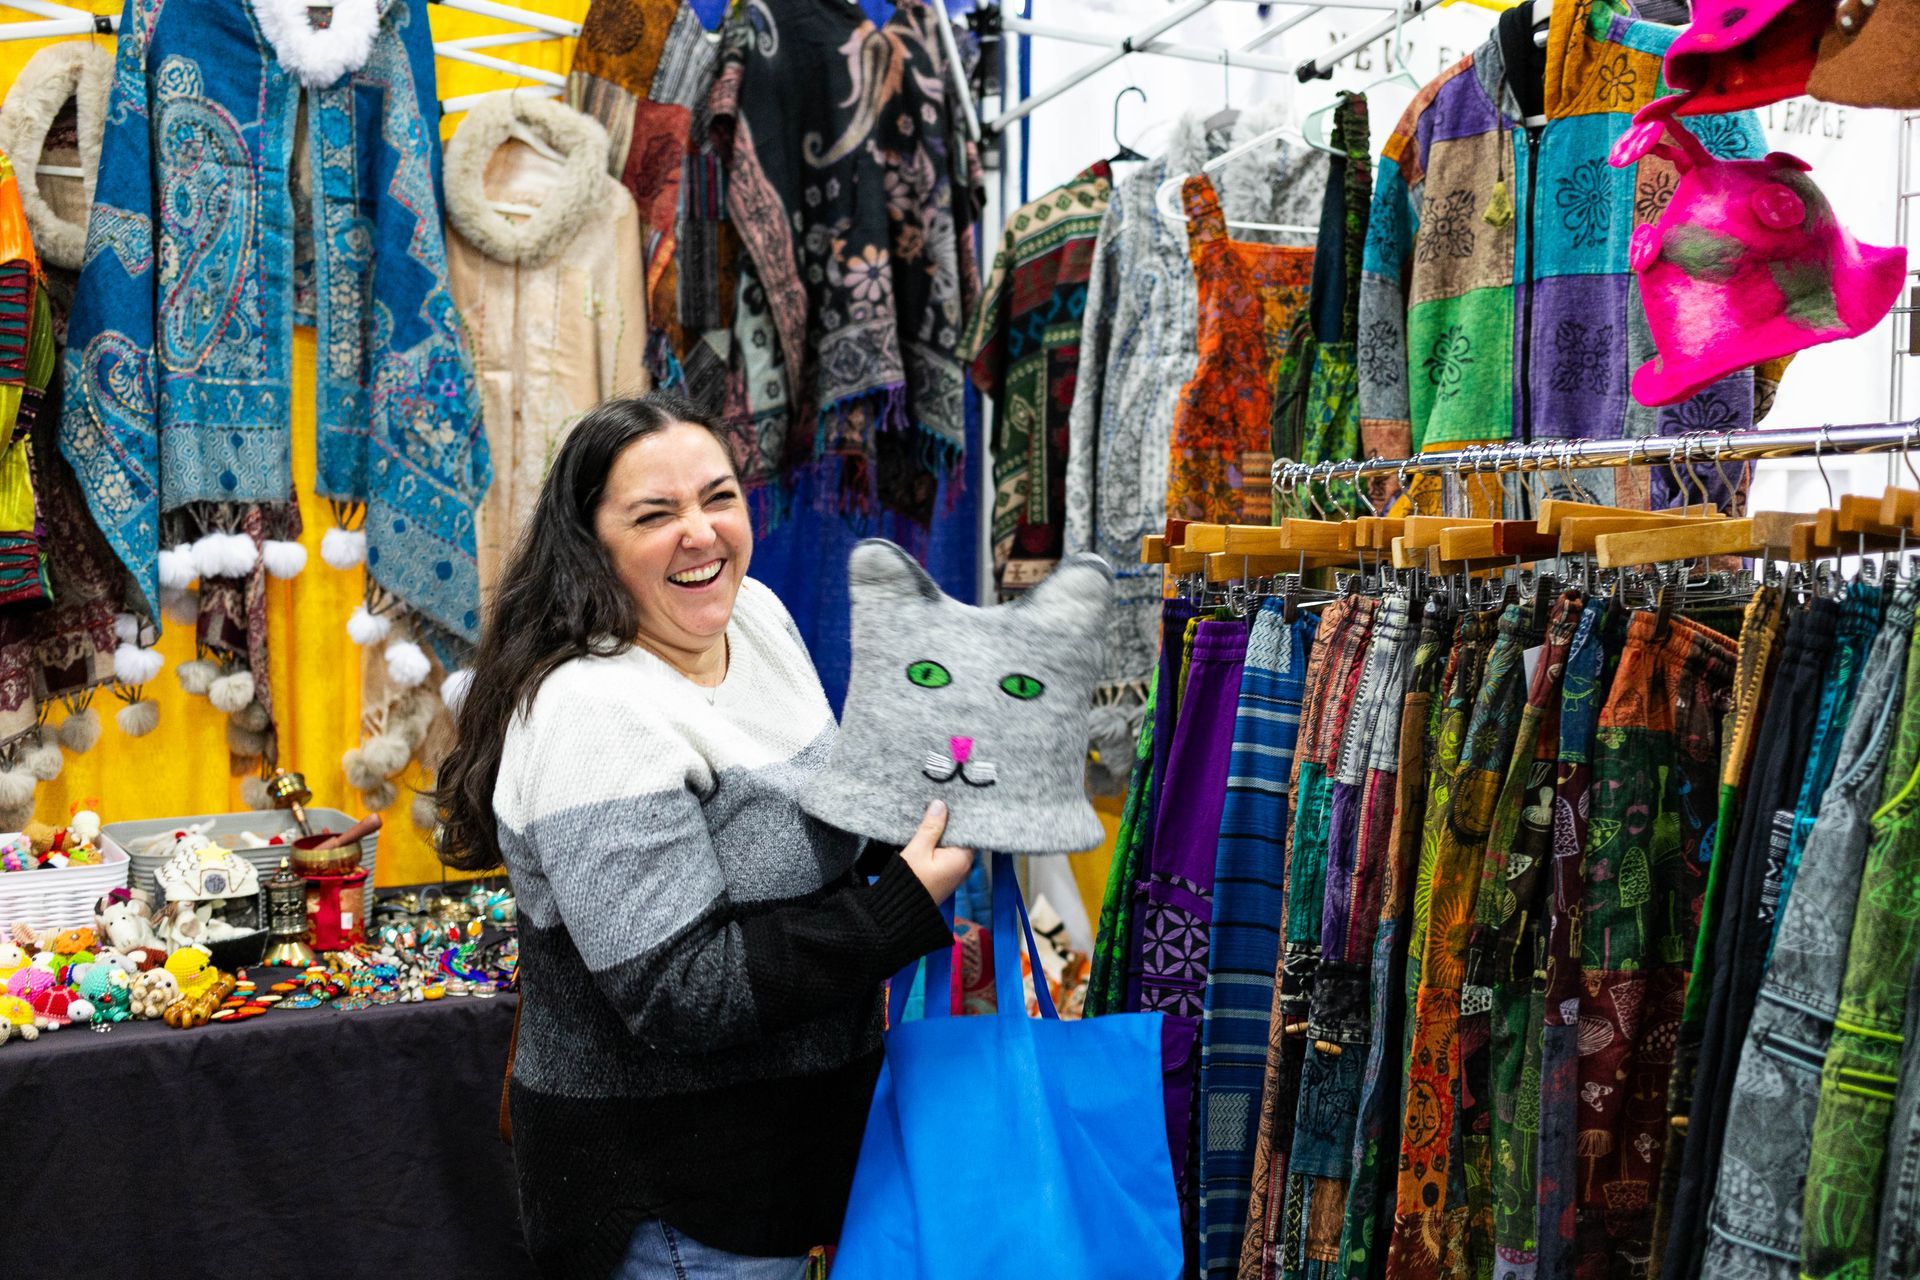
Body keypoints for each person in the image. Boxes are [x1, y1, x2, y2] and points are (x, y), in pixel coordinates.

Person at [435, 391, 974, 1280]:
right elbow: (681, 990)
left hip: (797, 1177)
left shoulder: (755, 617)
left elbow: (808, 826)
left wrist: (927, 801)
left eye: (718, 497)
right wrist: (903, 908)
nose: (702, 534)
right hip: (682, 1207)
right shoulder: (594, 711)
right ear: (590, 544)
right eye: (656, 514)